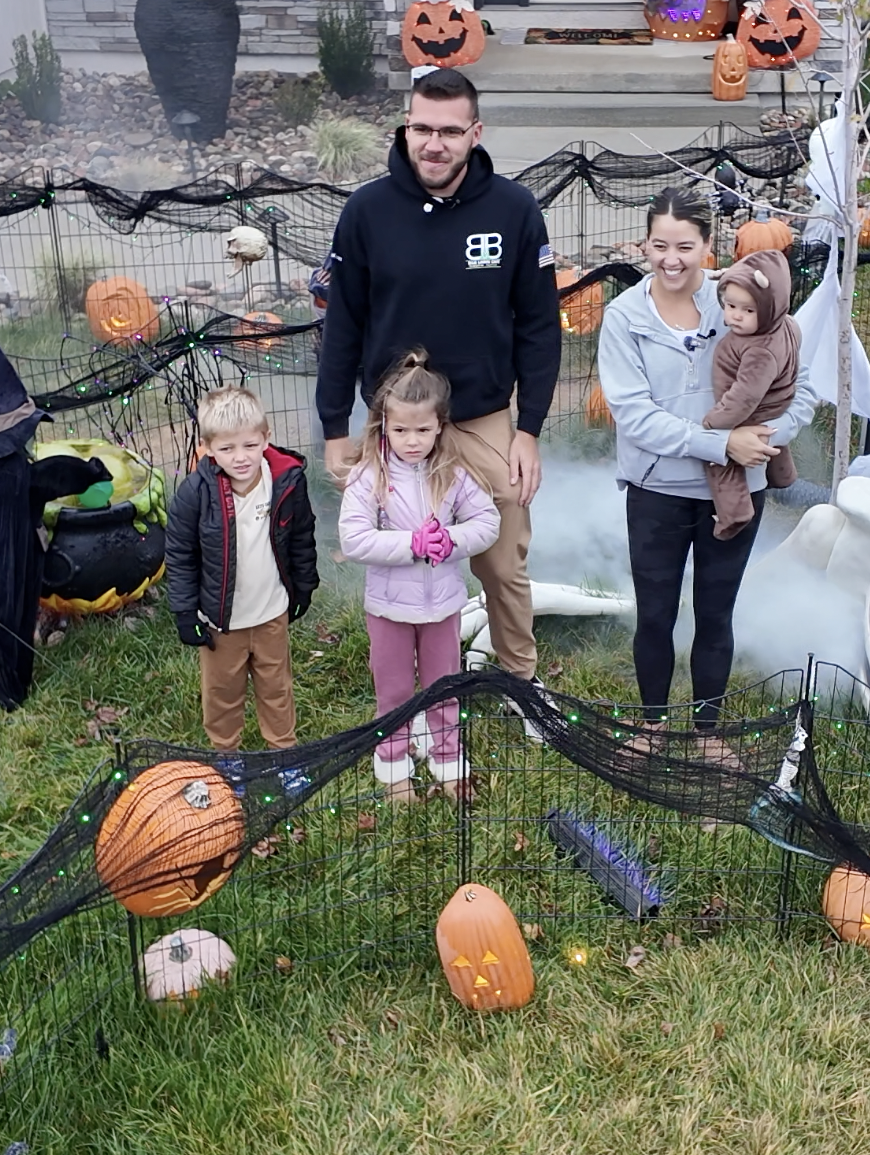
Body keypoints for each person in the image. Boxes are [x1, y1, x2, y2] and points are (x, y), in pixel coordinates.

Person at [314, 69, 558, 697]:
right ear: (406, 128)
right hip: (394, 426)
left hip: (481, 418)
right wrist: (334, 427)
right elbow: (342, 324)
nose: (434, 144)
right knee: (394, 552)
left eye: (451, 131)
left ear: (475, 134)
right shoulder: (367, 211)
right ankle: (404, 688)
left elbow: (539, 328)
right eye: (422, 128)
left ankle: (519, 682)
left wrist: (528, 429)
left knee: (503, 564)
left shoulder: (514, 210)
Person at [595, 193, 800, 748]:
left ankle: (708, 732)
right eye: (659, 245)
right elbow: (636, 418)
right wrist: (721, 443)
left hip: (734, 494)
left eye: (685, 246)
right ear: (644, 246)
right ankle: (653, 724)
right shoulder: (624, 318)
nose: (671, 259)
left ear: (708, 247)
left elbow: (797, 386)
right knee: (655, 614)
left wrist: (770, 436)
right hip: (656, 489)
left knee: (716, 612)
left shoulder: (739, 300)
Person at [336, 352, 500, 800]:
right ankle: (394, 769)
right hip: (389, 608)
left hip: (443, 605)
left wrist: (450, 539)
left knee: (444, 690)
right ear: (383, 426)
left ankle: (448, 762)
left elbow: (487, 523)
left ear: (441, 426)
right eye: (401, 430)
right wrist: (411, 545)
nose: (412, 441)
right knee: (393, 692)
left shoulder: (454, 472)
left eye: (423, 430)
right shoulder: (369, 476)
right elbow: (354, 540)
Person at [163, 386, 318, 751]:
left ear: (266, 437)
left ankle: (283, 752)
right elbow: (180, 553)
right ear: (207, 447)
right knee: (221, 693)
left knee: (277, 688)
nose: (241, 457)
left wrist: (304, 586)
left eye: (250, 445)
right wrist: (185, 611)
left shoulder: (286, 481)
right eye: (227, 448)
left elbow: (301, 536)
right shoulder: (195, 493)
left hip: (270, 614)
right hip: (221, 622)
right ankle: (226, 754)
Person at [700, 250, 798, 540]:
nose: (735, 316)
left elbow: (745, 395)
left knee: (720, 459)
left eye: (748, 310)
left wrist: (714, 424)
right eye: (730, 305)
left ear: (769, 308)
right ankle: (782, 475)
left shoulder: (758, 350)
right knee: (770, 437)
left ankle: (735, 513)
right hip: (777, 401)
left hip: (754, 408)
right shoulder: (786, 324)